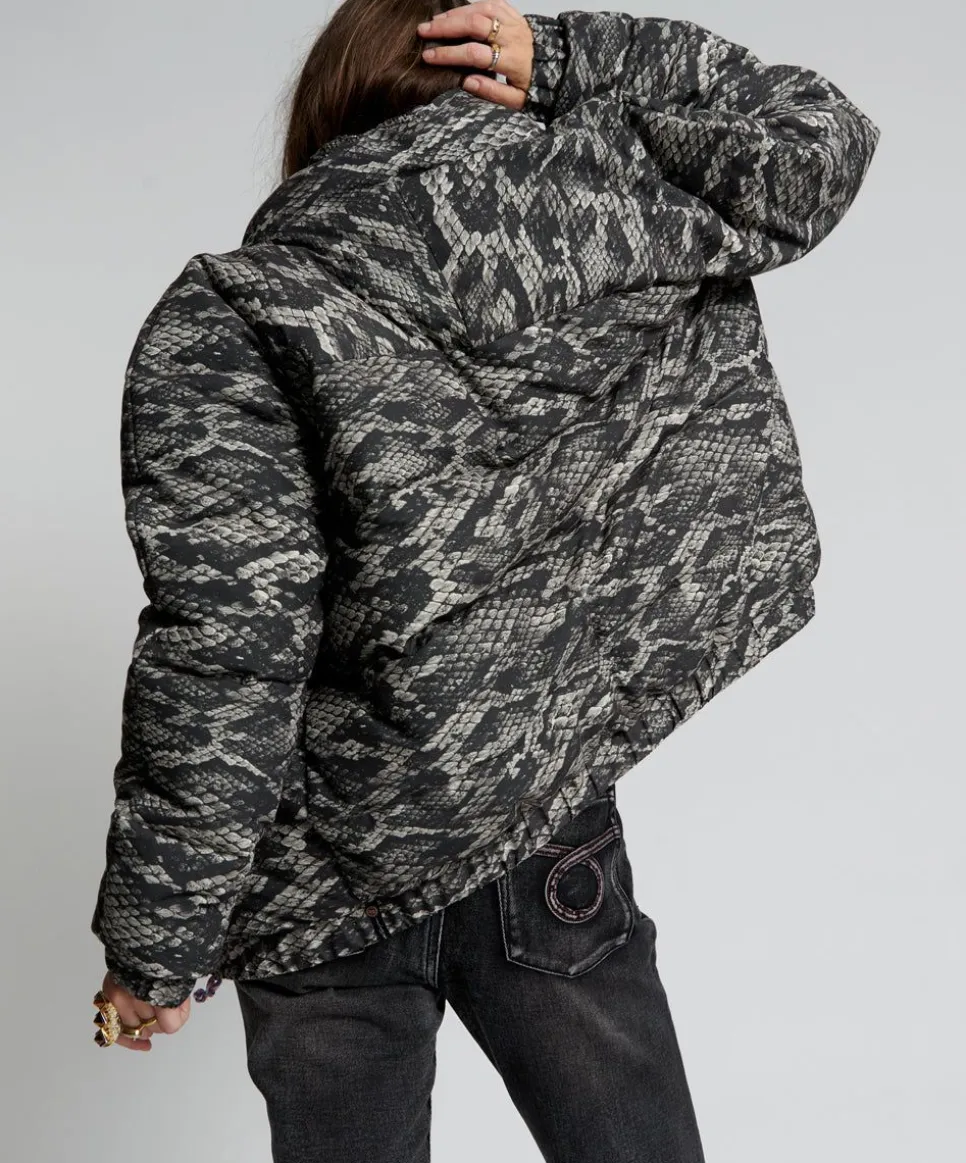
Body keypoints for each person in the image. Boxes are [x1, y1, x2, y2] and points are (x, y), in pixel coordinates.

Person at [88, 2, 880, 1160]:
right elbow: (811, 133)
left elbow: (224, 648)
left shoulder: (239, 312)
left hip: (323, 876)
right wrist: (578, 58)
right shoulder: (613, 200)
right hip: (536, 807)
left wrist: (157, 940)